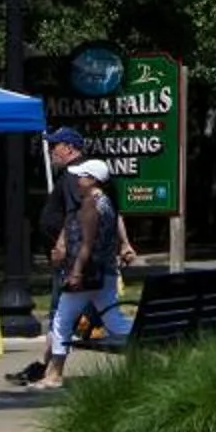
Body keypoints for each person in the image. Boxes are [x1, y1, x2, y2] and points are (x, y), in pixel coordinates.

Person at [19, 161, 133, 390]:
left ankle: (54, 375)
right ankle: (145, 347)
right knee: (113, 318)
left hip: (87, 275)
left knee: (62, 320)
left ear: (92, 180)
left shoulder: (91, 204)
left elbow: (87, 244)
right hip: (105, 273)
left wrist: (76, 272)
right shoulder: (107, 202)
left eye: (81, 176)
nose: (77, 180)